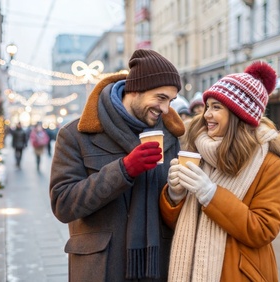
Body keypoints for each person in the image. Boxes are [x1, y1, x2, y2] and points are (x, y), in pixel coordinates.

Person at [49, 49, 185, 281]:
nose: (165, 108)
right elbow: (63, 204)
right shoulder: (77, 135)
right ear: (135, 90)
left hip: (158, 266)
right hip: (101, 268)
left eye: (170, 101)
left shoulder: (169, 137)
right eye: (160, 98)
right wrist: (124, 170)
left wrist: (176, 195)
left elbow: (174, 208)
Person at [160, 61, 280, 281]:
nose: (206, 115)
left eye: (216, 108)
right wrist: (175, 196)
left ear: (237, 115)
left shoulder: (270, 163)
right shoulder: (198, 150)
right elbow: (177, 224)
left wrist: (211, 195)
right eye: (207, 107)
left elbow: (263, 230)